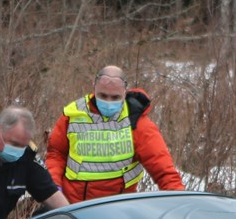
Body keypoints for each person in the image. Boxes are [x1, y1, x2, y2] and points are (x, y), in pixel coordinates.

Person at [46, 65, 185, 203]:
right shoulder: (73, 115)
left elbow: (164, 171)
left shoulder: (137, 123)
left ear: (125, 92)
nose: (108, 102)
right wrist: (53, 188)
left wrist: (179, 203)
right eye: (103, 95)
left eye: (115, 97)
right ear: (94, 87)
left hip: (117, 208)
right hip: (71, 206)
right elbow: (56, 154)